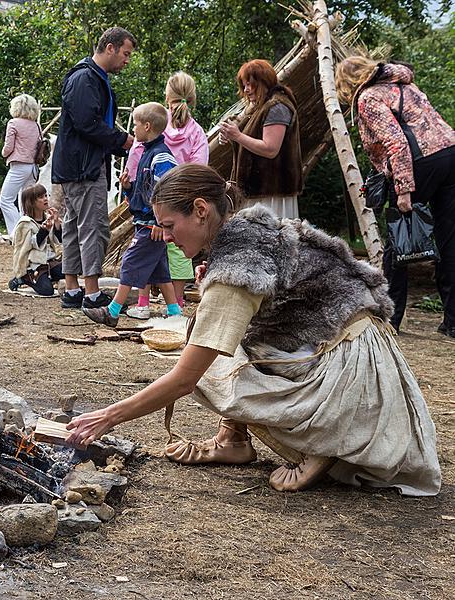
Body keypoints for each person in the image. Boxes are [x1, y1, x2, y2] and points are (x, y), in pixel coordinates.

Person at [67, 164, 440, 496]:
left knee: (205, 356)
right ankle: (233, 440)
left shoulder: (237, 268)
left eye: (168, 226)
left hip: (351, 380)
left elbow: (184, 379)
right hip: (355, 346)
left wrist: (107, 416)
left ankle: (320, 442)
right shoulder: (247, 229)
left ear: (200, 210)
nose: (165, 236)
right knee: (218, 333)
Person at [335, 56, 455, 336]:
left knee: (397, 246)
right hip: (450, 156)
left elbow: (397, 142)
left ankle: (389, 318)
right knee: (449, 240)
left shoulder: (367, 97)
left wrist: (403, 189)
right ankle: (452, 322)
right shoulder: (404, 85)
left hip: (419, 165)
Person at [51, 27, 136, 310]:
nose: (127, 60)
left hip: (79, 164)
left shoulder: (93, 77)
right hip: (83, 167)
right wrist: (123, 141)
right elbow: (88, 124)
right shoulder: (85, 78)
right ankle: (91, 293)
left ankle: (73, 289)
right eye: (125, 54)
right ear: (109, 48)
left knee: (75, 228)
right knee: (94, 227)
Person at [83, 102, 179, 327]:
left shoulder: (161, 157)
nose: (133, 129)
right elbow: (144, 191)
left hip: (151, 226)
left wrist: (160, 223)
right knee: (160, 272)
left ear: (147, 126)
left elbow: (165, 194)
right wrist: (128, 187)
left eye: (135, 125)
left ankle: (113, 311)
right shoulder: (147, 153)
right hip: (146, 222)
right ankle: (175, 313)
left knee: (129, 263)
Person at [220, 59, 302, 219]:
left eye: (250, 84)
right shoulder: (260, 106)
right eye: (244, 85)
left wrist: (237, 135)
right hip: (258, 191)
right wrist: (231, 136)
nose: (247, 90)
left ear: (264, 82)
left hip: (271, 193)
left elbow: (270, 149)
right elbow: (249, 140)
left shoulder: (277, 107)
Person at [163, 71, 208, 309]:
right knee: (179, 248)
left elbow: (139, 153)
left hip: (157, 197)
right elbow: (199, 168)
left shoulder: (156, 123)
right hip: (183, 199)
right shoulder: (197, 133)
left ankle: (143, 301)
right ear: (191, 98)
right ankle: (177, 302)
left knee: (151, 247)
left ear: (167, 96)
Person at [0, 94, 42, 237]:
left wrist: (4, 153)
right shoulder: (36, 125)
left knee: (5, 200)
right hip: (33, 168)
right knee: (26, 201)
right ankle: (31, 232)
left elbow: (8, 147)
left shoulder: (13, 123)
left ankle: (18, 233)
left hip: (19, 166)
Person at [9, 184, 63, 296]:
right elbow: (27, 245)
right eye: (41, 197)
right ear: (31, 202)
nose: (45, 199)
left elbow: (59, 241)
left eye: (45, 195)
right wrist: (43, 231)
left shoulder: (48, 217)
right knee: (47, 291)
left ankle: (47, 276)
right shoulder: (25, 223)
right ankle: (25, 278)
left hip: (49, 260)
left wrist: (57, 223)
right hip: (34, 263)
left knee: (69, 270)